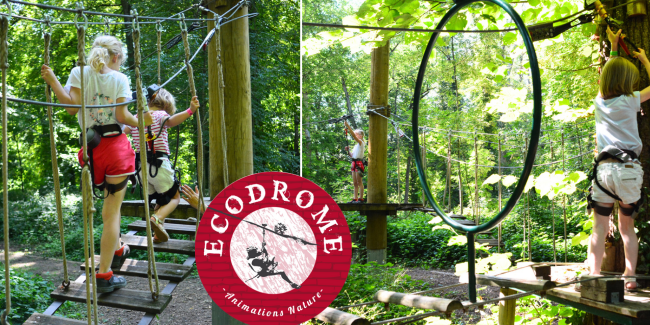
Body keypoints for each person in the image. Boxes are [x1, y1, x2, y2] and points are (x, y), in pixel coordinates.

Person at [41, 35, 151, 293]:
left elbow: (70, 108)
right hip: (115, 149)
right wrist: (144, 125)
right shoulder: (120, 79)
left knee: (107, 209)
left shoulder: (79, 73)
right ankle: (104, 275)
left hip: (92, 151)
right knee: (112, 212)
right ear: (116, 57)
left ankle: (118, 247)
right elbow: (122, 116)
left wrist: (53, 80)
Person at [587, 26, 650, 292]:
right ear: (628, 81)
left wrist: (613, 48)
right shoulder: (631, 100)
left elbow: (607, 79)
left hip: (603, 173)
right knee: (627, 228)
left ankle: (593, 275)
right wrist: (646, 60)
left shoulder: (599, 101)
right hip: (627, 171)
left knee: (599, 229)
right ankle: (630, 276)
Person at [125, 88, 200, 243]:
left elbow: (123, 129)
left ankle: (158, 233)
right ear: (165, 104)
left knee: (161, 199)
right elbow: (172, 121)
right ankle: (158, 218)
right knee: (174, 198)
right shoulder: (161, 115)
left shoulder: (135, 118)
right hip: (158, 164)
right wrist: (190, 110)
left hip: (140, 169)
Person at [344, 120, 365, 203]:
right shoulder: (356, 146)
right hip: (354, 163)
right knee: (355, 182)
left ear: (360, 136)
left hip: (359, 163)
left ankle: (361, 198)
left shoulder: (361, 143)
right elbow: (352, 155)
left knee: (359, 182)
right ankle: (355, 198)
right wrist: (348, 151)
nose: (354, 136)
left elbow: (353, 135)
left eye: (356, 135)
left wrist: (348, 126)